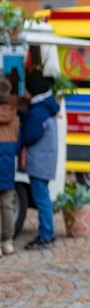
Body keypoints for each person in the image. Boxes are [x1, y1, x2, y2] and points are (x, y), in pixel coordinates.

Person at [21, 72, 59, 250]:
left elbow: (30, 135)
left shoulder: (37, 112)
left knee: (41, 199)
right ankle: (47, 232)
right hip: (46, 160)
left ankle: (46, 235)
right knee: (43, 198)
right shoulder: (46, 107)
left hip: (39, 162)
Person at [0, 78, 19, 256]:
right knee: (7, 204)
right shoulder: (15, 116)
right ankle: (7, 242)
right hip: (7, 162)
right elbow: (18, 140)